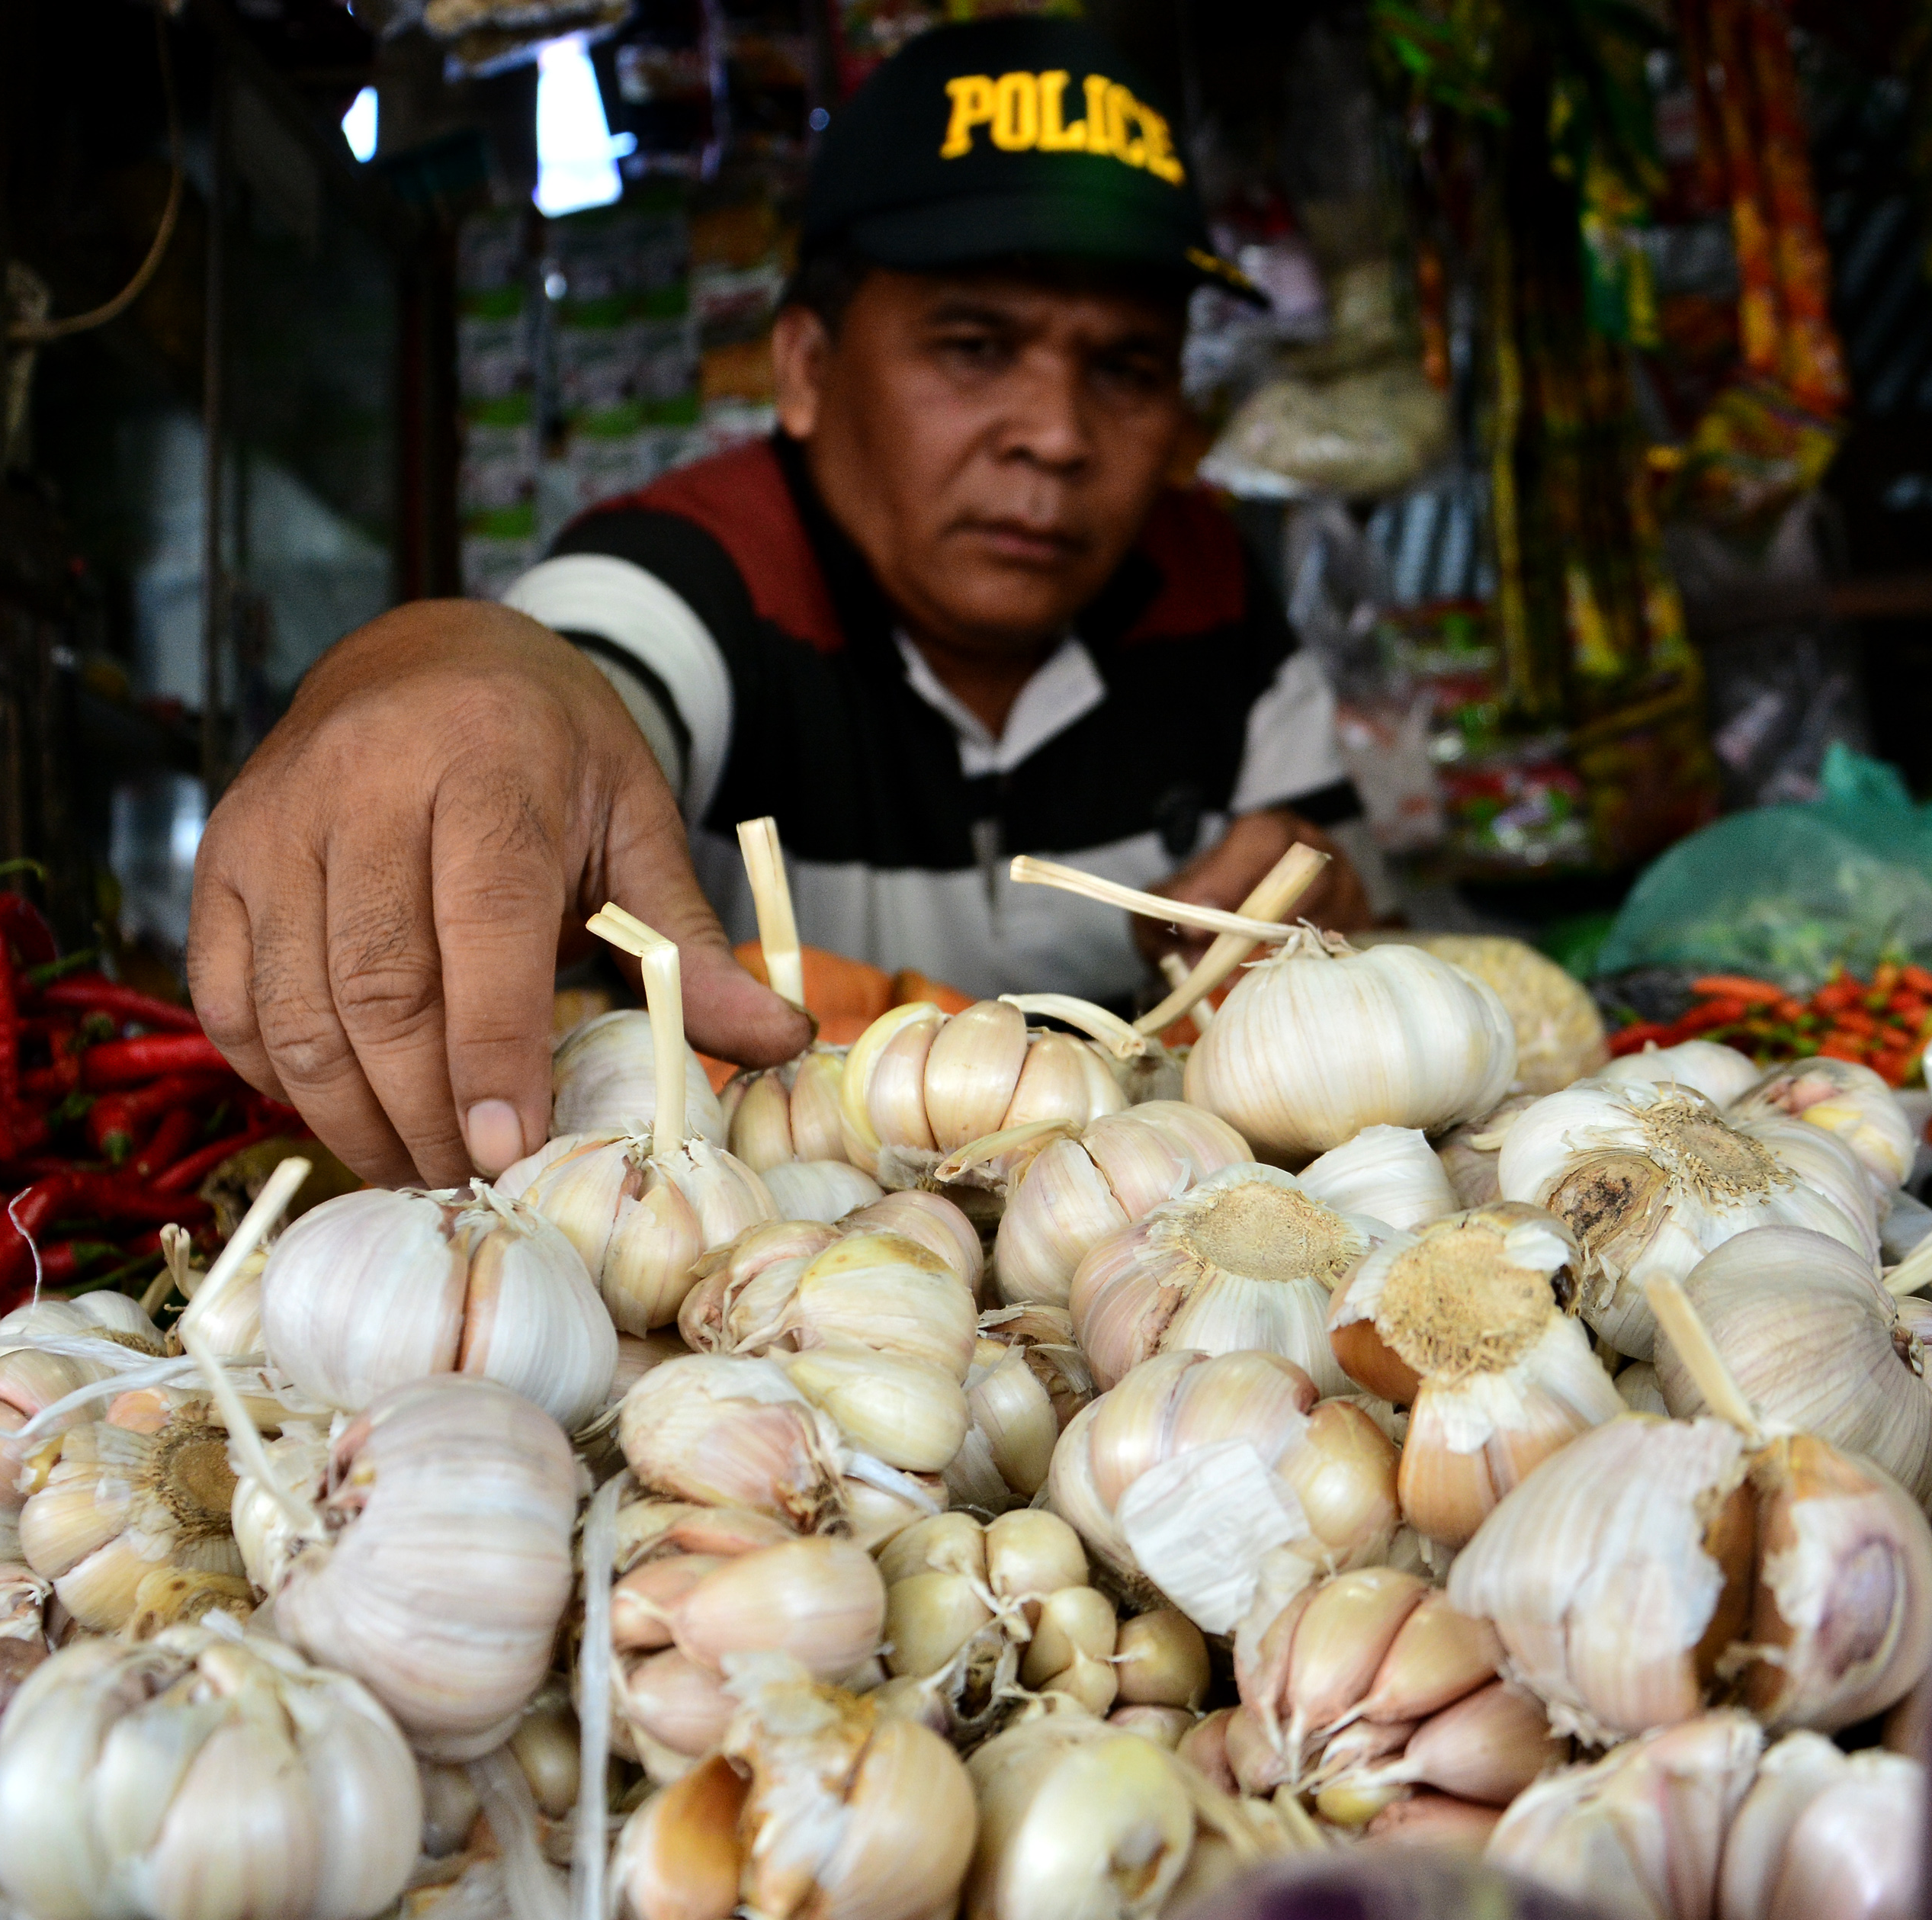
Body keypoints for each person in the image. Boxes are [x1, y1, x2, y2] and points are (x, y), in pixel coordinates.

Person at [188, 18, 1377, 1192]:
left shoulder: (1216, 593)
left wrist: (1310, 906)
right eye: (974, 346)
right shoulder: (698, 572)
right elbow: (552, 674)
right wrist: (444, 669)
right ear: (804, 369)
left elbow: (1356, 925)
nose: (1058, 438)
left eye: (1126, 369)